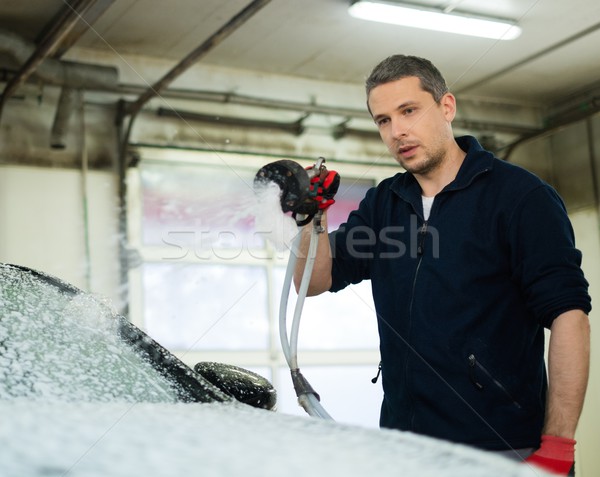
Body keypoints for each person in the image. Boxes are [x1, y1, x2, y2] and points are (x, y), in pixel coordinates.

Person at [293, 55, 591, 476]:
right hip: (404, 446)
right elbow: (314, 281)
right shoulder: (384, 204)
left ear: (446, 106)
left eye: (409, 111)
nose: (397, 131)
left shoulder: (520, 198)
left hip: (500, 448)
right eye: (382, 120)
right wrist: (311, 217)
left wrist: (558, 446)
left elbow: (569, 316)